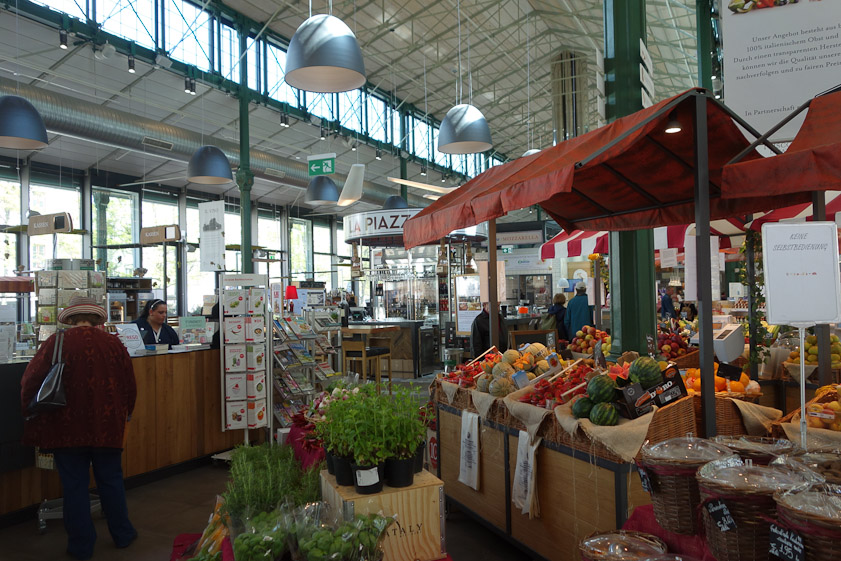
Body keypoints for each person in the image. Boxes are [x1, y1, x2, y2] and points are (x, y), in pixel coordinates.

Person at [20, 295, 137, 560]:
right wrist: (125, 415)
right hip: (107, 426)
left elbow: (30, 380)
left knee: (74, 486)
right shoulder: (113, 344)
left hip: (66, 426)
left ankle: (81, 546)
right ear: (96, 319)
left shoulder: (56, 342)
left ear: (69, 319)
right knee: (111, 481)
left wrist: (29, 409)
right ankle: (123, 535)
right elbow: (130, 385)